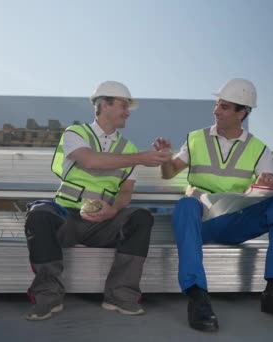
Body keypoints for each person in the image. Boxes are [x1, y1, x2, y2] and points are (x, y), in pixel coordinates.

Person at [153, 78, 273, 332]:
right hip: (202, 221)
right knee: (185, 206)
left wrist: (266, 181)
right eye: (217, 104)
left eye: (224, 107)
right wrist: (165, 159)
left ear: (241, 113)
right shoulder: (195, 139)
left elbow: (265, 182)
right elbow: (169, 173)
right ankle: (197, 296)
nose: (216, 111)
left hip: (236, 222)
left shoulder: (259, 149)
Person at [24, 80, 171, 321]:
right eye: (124, 106)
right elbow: (91, 161)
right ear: (104, 105)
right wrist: (143, 157)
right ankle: (47, 298)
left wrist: (112, 211)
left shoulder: (129, 147)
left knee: (141, 217)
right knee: (39, 214)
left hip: (104, 222)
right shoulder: (76, 133)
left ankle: (120, 296)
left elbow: (125, 192)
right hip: (67, 216)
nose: (128, 112)